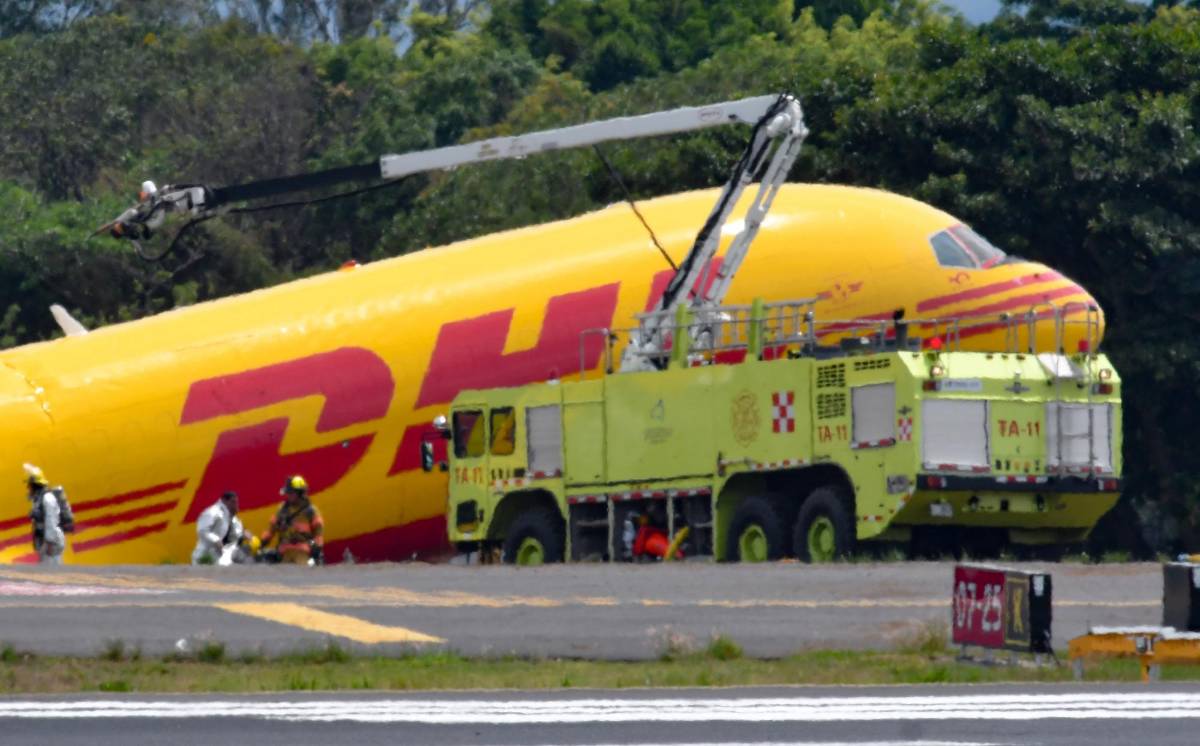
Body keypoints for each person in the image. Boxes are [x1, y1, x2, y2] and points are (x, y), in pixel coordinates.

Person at [260, 475, 324, 565]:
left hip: (302, 553)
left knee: (301, 571)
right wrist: (261, 543)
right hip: (284, 553)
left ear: (300, 493)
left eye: (291, 493)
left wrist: (316, 549)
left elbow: (318, 535)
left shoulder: (311, 512)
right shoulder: (282, 510)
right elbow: (270, 531)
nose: (288, 495)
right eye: (288, 492)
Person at [24, 464, 66, 564]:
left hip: (51, 544)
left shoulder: (47, 498)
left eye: (30, 485)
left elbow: (51, 521)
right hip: (45, 542)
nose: (28, 488)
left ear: (35, 485)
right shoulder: (38, 500)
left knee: (53, 568)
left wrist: (50, 542)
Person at [191, 491, 243, 565]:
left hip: (220, 559)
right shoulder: (213, 512)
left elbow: (235, 537)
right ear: (224, 501)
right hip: (204, 555)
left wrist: (243, 535)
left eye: (236, 502)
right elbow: (202, 530)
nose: (235, 505)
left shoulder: (232, 519)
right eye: (233, 502)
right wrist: (216, 540)